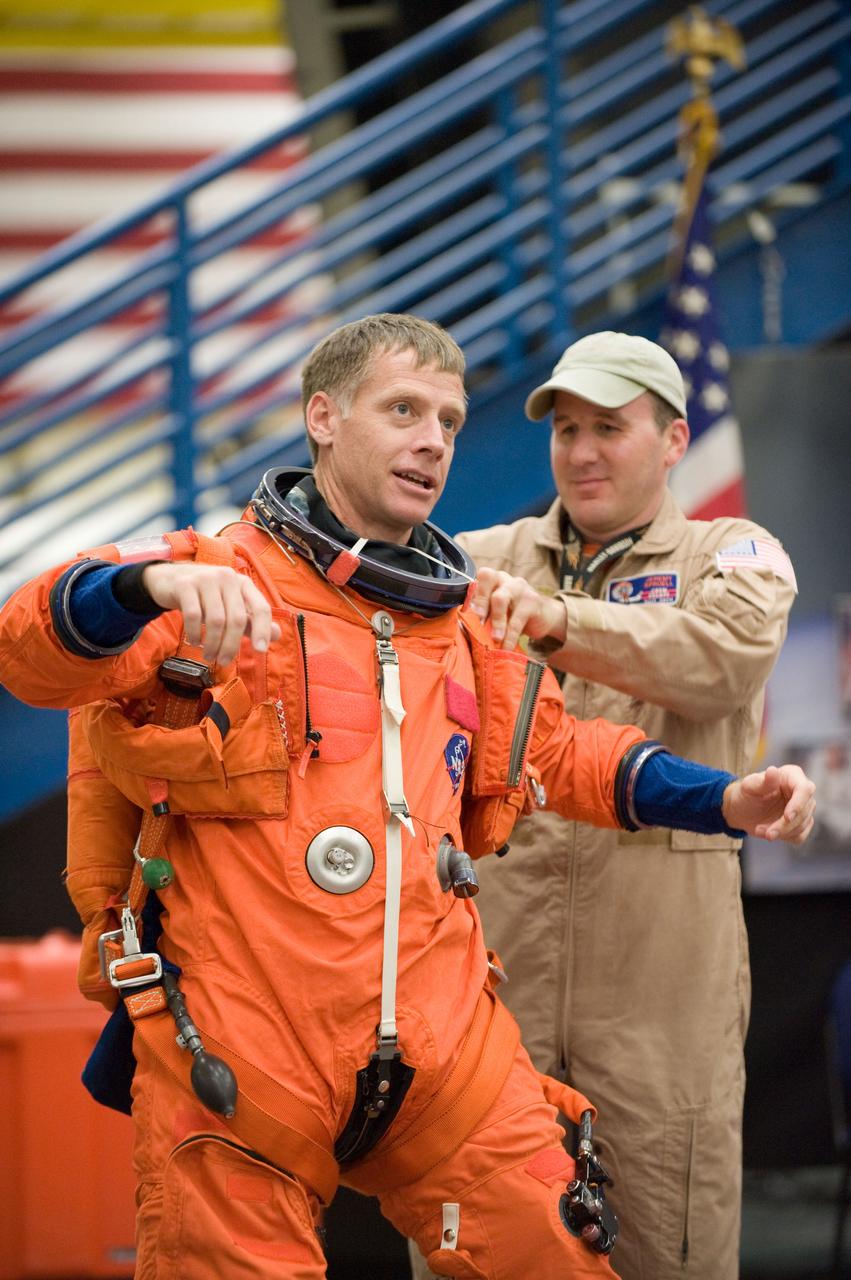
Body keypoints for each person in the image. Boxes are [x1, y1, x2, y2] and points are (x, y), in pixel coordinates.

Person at [0, 316, 813, 1280]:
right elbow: (32, 652)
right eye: (402, 410)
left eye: (448, 419)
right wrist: (140, 584)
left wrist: (726, 803)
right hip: (245, 1049)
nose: (432, 439)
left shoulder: (465, 614)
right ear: (323, 419)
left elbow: (564, 752)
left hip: (441, 1053)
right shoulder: (213, 580)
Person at [433, 330, 799, 1280]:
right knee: (475, 1246)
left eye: (609, 426)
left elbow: (715, 662)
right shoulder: (480, 558)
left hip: (659, 1005)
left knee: (660, 1241)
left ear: (675, 440)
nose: (582, 450)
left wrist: (558, 619)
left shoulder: (738, 553)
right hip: (496, 994)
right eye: (564, 428)